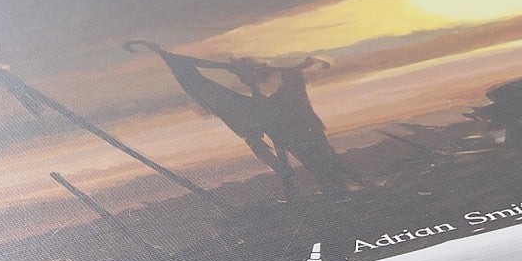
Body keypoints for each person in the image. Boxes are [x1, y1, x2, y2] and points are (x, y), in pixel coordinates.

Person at [125, 41, 360, 200]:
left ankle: (344, 191)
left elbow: (203, 86)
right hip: (295, 137)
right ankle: (341, 191)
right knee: (326, 169)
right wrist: (167, 57)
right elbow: (202, 85)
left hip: (304, 134)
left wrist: (168, 57)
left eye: (244, 75)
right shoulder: (265, 99)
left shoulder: (283, 90)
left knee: (328, 167)